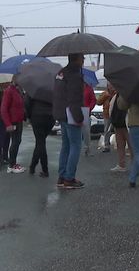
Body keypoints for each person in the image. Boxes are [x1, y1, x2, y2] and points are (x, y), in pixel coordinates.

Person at [53, 53, 85, 189]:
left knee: (66, 146)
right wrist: (79, 118)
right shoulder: (75, 76)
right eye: (82, 58)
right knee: (76, 146)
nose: (83, 60)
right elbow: (74, 99)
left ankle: (62, 176)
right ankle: (69, 178)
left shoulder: (61, 73)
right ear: (77, 59)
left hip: (60, 113)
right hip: (70, 115)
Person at [0, 76, 25, 173]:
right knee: (14, 142)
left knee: (17, 141)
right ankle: (11, 165)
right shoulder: (9, 91)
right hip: (12, 121)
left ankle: (12, 162)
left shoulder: (17, 90)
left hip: (18, 121)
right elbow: (4, 109)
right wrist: (8, 123)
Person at [25, 95, 54, 177]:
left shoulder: (34, 88)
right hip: (50, 118)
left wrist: (29, 116)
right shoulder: (52, 87)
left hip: (37, 117)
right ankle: (32, 166)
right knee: (40, 142)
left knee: (40, 142)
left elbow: (27, 104)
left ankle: (45, 170)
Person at [109, 92, 130, 172]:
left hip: (126, 122)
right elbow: (111, 107)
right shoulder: (116, 95)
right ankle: (121, 164)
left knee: (131, 145)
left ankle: (136, 166)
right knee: (120, 144)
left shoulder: (127, 93)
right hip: (118, 122)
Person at [97, 84, 116, 153]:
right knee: (106, 130)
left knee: (118, 130)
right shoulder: (104, 94)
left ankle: (118, 144)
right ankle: (106, 146)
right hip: (107, 114)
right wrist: (105, 96)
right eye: (110, 86)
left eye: (112, 85)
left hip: (115, 115)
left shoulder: (117, 93)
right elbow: (98, 102)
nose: (111, 87)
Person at [82, 83, 97, 156]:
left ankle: (87, 149)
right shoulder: (75, 87)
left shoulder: (89, 88)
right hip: (76, 111)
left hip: (86, 112)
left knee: (86, 132)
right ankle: (75, 149)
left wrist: (89, 108)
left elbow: (93, 100)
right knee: (76, 132)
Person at [0, 84, 10, 166]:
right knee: (4, 138)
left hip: (5, 119)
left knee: (6, 138)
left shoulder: (5, 92)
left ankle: (5, 157)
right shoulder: (4, 93)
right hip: (3, 119)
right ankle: (4, 157)